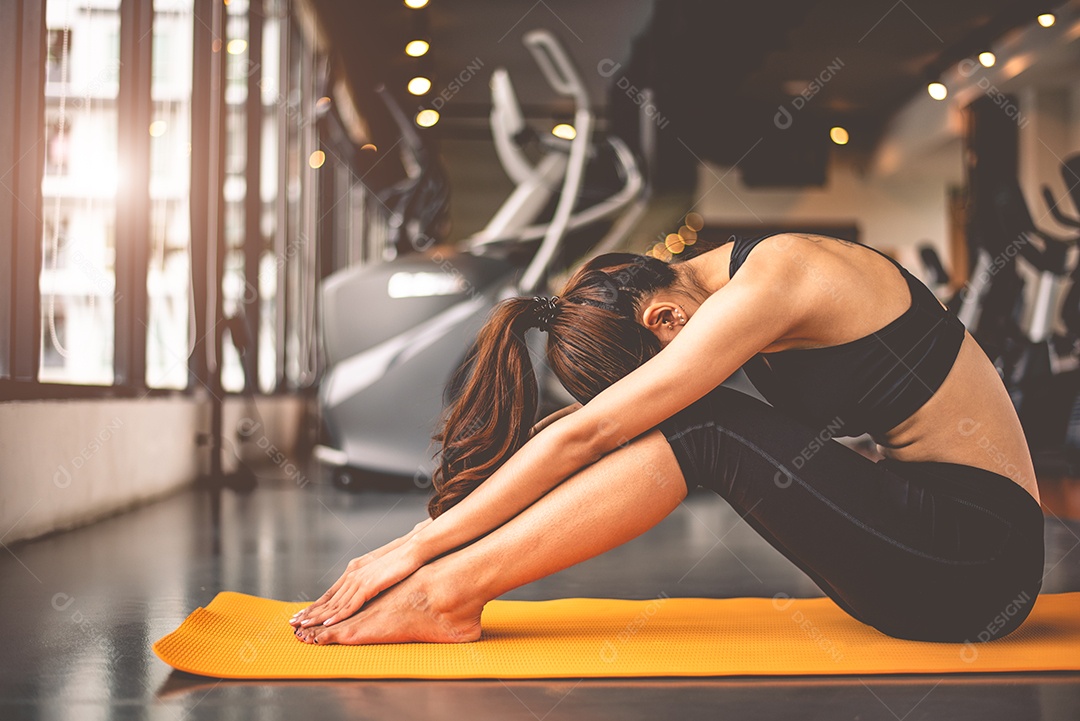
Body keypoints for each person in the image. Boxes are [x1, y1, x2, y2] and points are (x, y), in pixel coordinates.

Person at [290, 232, 1044, 646]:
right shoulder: (724, 285)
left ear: (665, 322)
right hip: (923, 558)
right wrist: (438, 531)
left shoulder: (781, 278)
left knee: (699, 423)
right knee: (676, 423)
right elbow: (587, 433)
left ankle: (442, 594)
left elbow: (595, 432)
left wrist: (414, 547)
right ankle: (446, 583)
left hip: (977, 562)